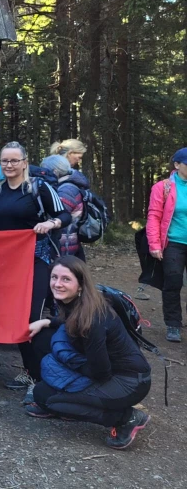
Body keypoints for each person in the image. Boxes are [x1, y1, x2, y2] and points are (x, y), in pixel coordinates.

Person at [26, 257, 151, 450]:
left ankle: (127, 417)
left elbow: (101, 372)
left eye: (66, 279)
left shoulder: (92, 319)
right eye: (54, 277)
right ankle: (69, 403)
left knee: (51, 401)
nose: (57, 284)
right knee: (41, 393)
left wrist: (68, 364)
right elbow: (69, 322)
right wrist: (46, 322)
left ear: (80, 285)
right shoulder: (77, 302)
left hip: (129, 382)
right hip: (106, 371)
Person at [0, 141, 71, 405]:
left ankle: (40, 378)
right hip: (7, 263)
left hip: (37, 261)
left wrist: (50, 223)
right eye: (5, 161)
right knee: (14, 318)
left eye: (14, 161)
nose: (9, 166)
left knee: (30, 316)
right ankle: (28, 371)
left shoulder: (39, 187)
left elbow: (65, 215)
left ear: (25, 162)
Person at [146, 147, 187, 343]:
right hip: (174, 243)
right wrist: (154, 244)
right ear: (177, 165)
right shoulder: (163, 187)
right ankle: (173, 324)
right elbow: (154, 216)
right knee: (173, 281)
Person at [41, 155, 87, 261]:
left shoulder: (66, 190)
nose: (43, 175)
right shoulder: (67, 186)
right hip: (66, 240)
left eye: (46, 171)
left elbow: (60, 214)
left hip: (65, 242)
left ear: (55, 171)